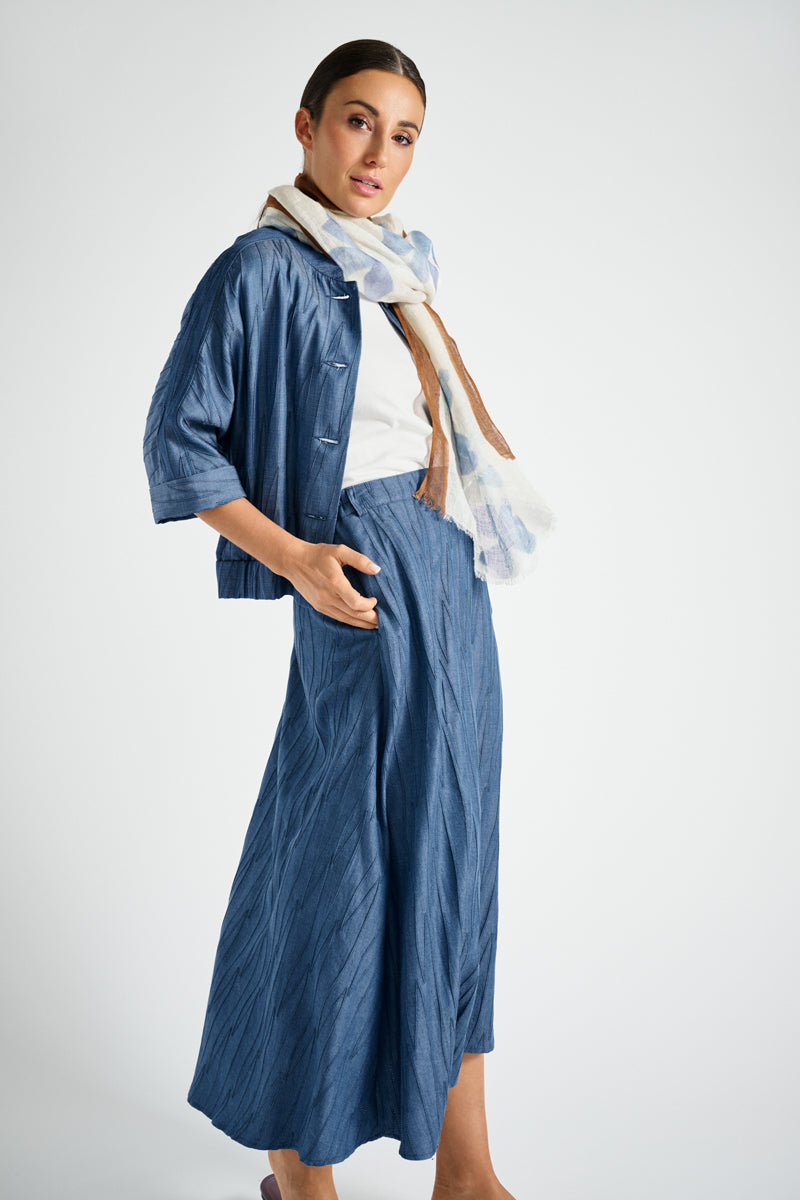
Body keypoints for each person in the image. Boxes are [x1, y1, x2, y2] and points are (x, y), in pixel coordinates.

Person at [142, 38, 555, 1200]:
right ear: (307, 125)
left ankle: (466, 1170)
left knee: (454, 853)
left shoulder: (392, 268)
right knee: (337, 868)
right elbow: (177, 439)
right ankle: (297, 1169)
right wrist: (295, 559)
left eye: (403, 134)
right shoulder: (262, 269)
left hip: (448, 576)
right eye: (358, 120)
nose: (378, 152)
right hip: (360, 581)